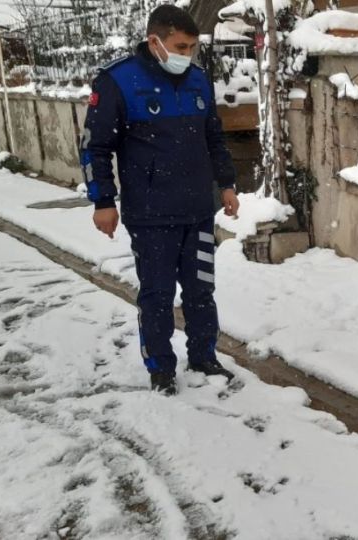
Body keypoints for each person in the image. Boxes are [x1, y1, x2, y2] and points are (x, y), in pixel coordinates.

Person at [80, 5, 239, 395]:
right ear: (155, 42)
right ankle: (160, 367)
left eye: (192, 47)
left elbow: (214, 138)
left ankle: (203, 355)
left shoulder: (199, 81)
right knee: (157, 294)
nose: (187, 54)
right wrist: (103, 200)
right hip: (151, 215)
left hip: (198, 212)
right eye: (180, 46)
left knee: (201, 291)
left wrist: (227, 184)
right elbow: (95, 147)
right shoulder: (118, 82)